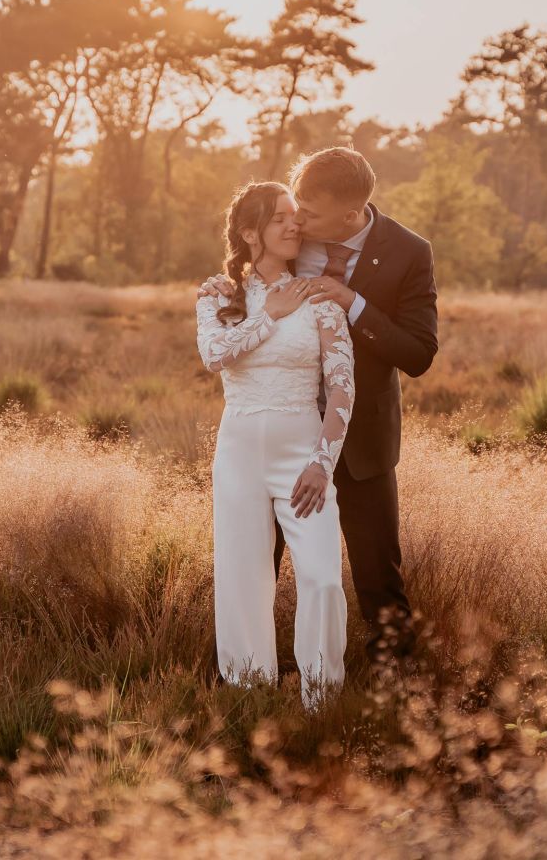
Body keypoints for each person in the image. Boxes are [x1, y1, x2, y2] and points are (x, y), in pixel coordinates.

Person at [200, 147, 438, 668]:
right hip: (274, 433)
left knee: (376, 573)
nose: (298, 222)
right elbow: (251, 261)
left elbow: (419, 354)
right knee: (255, 562)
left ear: (350, 215)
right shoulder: (290, 233)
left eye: (308, 213)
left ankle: (394, 690)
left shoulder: (407, 252)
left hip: (361, 441)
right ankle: (238, 680)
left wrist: (352, 303)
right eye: (293, 210)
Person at [195, 180, 355, 710]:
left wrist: (321, 463)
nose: (295, 225)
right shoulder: (218, 294)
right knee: (243, 581)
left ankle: (321, 704)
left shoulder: (320, 299)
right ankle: (250, 702)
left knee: (323, 579)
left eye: (296, 216)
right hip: (238, 454)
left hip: (302, 457)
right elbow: (215, 356)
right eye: (280, 217)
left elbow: (341, 387)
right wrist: (270, 316)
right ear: (249, 232)